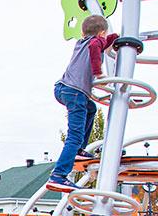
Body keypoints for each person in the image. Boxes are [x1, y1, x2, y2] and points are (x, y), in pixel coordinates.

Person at [46, 14, 118, 192]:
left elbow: (103, 41)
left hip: (63, 89)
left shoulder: (81, 42)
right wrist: (99, 73)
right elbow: (97, 45)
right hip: (75, 92)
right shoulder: (95, 42)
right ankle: (59, 175)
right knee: (75, 135)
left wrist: (114, 38)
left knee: (91, 109)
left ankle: (79, 150)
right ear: (101, 33)